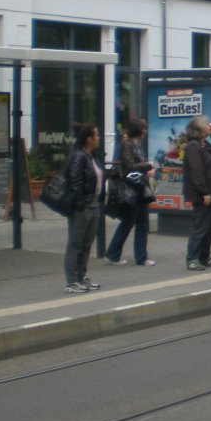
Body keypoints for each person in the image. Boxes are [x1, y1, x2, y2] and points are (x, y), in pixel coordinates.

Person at [105, 118, 155, 266]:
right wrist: (148, 165)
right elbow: (129, 166)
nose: (145, 131)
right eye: (143, 128)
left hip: (140, 188)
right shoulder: (127, 145)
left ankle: (141, 256)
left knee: (142, 223)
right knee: (129, 222)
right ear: (138, 130)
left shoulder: (137, 145)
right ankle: (114, 253)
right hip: (132, 188)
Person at [64, 123, 104, 293]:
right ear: (89, 139)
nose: (99, 138)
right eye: (96, 135)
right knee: (76, 242)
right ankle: (72, 280)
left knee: (86, 244)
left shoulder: (90, 156)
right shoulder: (79, 157)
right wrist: (81, 203)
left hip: (93, 204)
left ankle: (81, 276)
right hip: (83, 206)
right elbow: (75, 181)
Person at [182, 115, 211, 270]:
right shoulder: (193, 147)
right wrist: (205, 192)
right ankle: (192, 258)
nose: (210, 125)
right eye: (207, 124)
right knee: (200, 226)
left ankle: (204, 256)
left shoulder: (204, 144)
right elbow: (197, 172)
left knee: (209, 227)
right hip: (202, 195)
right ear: (199, 128)